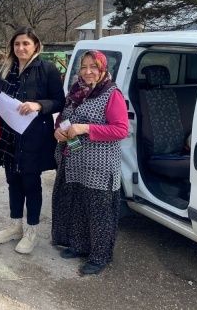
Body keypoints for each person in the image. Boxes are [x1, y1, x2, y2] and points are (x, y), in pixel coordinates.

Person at [50, 50, 128, 275]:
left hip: (100, 164)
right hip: (74, 159)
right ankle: (78, 245)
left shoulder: (111, 93)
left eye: (93, 67)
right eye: (83, 67)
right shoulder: (75, 91)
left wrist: (86, 128)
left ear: (103, 69)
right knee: (78, 204)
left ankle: (99, 256)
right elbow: (64, 118)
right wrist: (58, 131)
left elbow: (121, 129)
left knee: (98, 211)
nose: (88, 71)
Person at [0, 27, 65, 254]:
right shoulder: (5, 70)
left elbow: (60, 101)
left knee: (31, 183)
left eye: (25, 44)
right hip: (8, 136)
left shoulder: (47, 69)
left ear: (35, 46)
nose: (21, 48)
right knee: (13, 180)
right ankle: (15, 225)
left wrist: (39, 105)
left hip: (34, 136)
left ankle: (31, 230)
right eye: (17, 44)